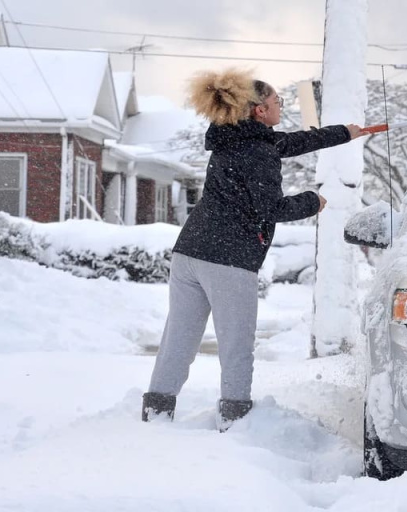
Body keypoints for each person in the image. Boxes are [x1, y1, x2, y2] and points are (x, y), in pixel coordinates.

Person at [141, 68, 365, 429]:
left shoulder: (233, 137)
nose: (281, 107)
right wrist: (313, 201)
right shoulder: (258, 152)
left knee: (179, 339)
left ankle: (155, 414)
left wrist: (344, 133)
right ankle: (235, 420)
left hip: (190, 252)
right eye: (277, 102)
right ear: (260, 110)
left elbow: (288, 143)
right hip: (227, 259)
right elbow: (271, 209)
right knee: (236, 345)